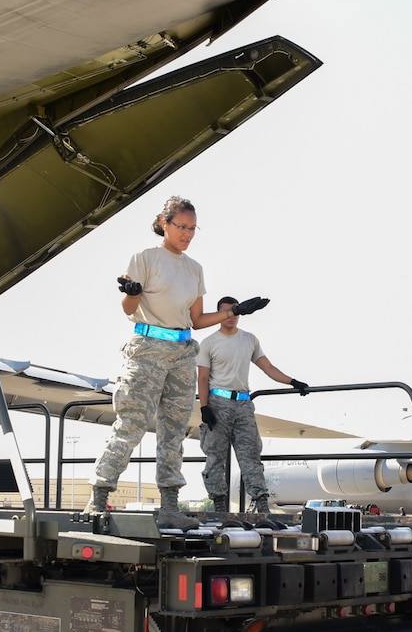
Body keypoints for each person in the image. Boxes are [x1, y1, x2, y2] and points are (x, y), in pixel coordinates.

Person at [85, 196, 268, 528]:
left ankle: (170, 506)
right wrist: (133, 292)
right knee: (131, 425)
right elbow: (128, 309)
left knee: (174, 433)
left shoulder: (194, 269)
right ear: (165, 225)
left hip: (182, 353)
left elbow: (196, 319)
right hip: (147, 350)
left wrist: (234, 312)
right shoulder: (145, 258)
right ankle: (98, 498)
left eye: (192, 228)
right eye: (181, 227)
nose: (186, 234)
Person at [197, 297, 307, 513]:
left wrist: (293, 382)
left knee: (251, 454)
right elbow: (202, 378)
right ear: (219, 314)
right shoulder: (209, 342)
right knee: (216, 455)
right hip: (218, 403)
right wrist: (204, 407)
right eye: (228, 311)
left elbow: (268, 367)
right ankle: (219, 501)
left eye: (236, 311)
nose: (232, 315)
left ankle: (260, 499)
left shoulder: (249, 340)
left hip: (243, 404)